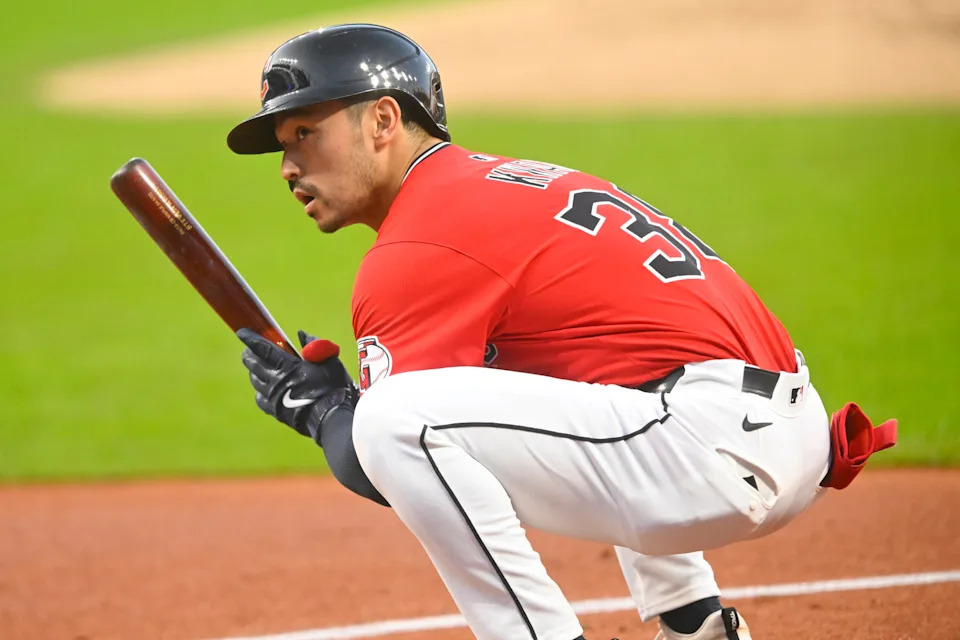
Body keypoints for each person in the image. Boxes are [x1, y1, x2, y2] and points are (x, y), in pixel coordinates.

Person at [230, 24, 897, 640]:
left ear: (382, 120)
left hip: (710, 449)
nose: (288, 166)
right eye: (283, 146)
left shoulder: (423, 240)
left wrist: (322, 411)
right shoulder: (502, 184)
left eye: (304, 134)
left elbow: (392, 462)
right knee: (533, 376)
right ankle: (697, 624)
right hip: (772, 430)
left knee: (395, 422)